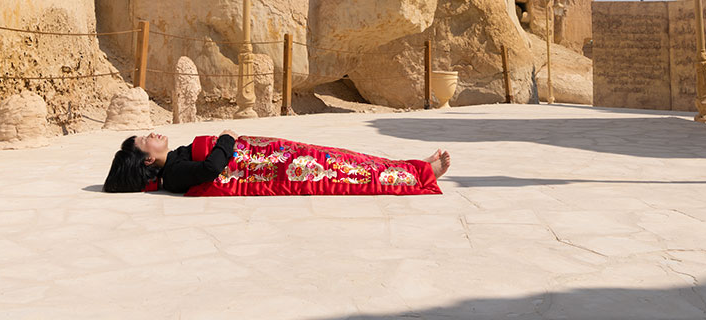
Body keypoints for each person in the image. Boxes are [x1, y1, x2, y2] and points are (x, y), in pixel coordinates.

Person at [103, 128, 451, 196]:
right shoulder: (175, 174)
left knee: (347, 159)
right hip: (274, 168)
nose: (153, 133)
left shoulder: (176, 156)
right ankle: (418, 174)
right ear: (147, 159)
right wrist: (226, 139)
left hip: (270, 154)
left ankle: (409, 166)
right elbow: (212, 169)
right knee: (345, 173)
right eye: (145, 139)